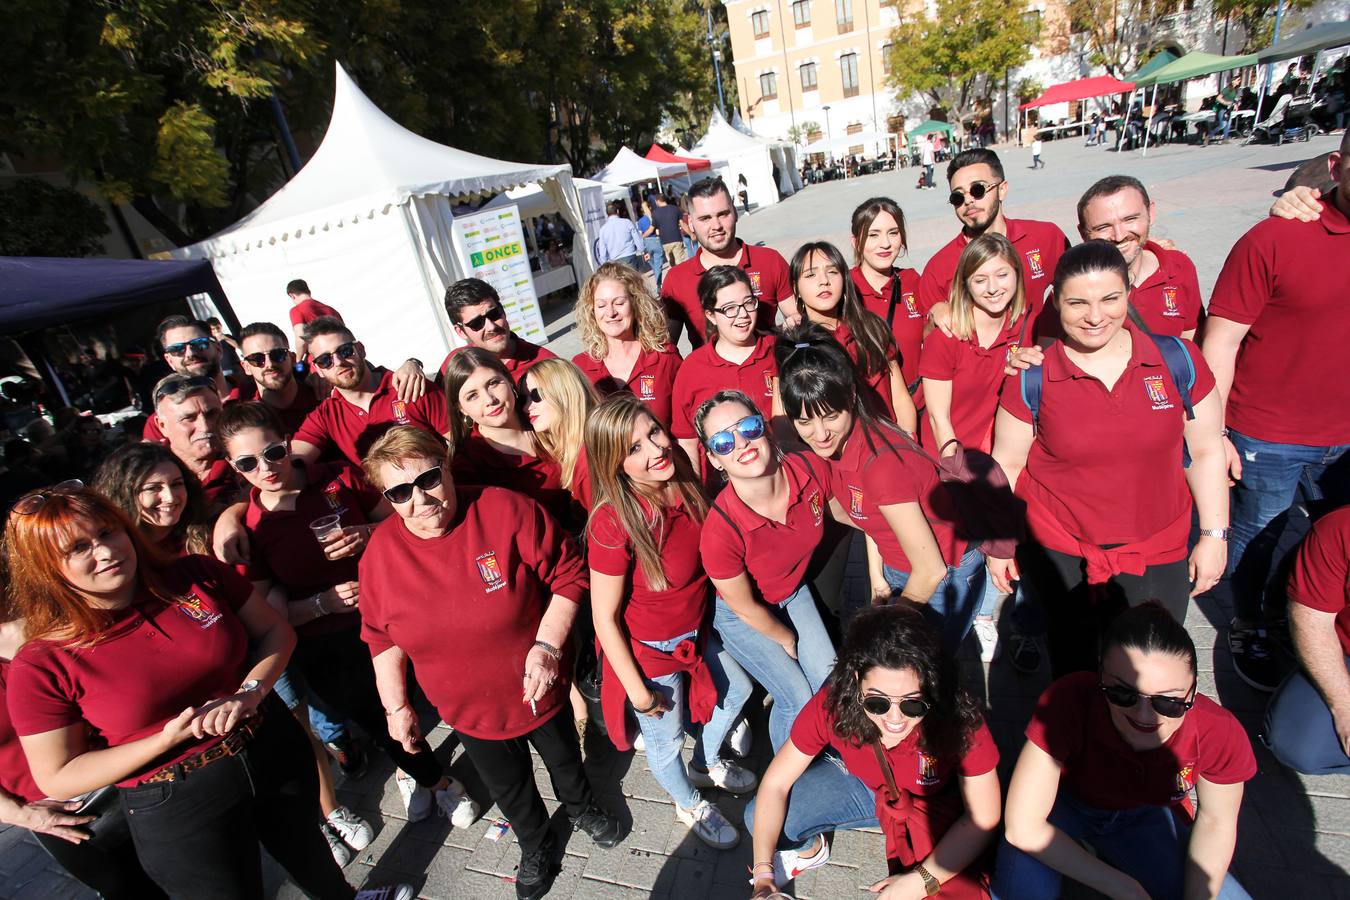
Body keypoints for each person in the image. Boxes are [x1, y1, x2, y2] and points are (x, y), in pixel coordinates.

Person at [4, 485, 411, 900]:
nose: (106, 551)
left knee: (310, 854)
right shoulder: (43, 661)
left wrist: (251, 691)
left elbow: (276, 631)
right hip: (174, 796)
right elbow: (59, 775)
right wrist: (164, 740)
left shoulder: (194, 574)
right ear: (46, 568)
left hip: (268, 744)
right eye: (78, 548)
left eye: (107, 532)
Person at [358, 426, 620, 900]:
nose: (420, 499)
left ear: (446, 466)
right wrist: (397, 708)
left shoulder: (503, 509)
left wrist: (548, 646)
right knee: (510, 788)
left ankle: (582, 808)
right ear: (386, 498)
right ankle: (536, 844)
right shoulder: (380, 555)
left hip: (538, 686)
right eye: (400, 492)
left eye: (429, 479)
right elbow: (380, 637)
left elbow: (569, 574)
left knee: (564, 760)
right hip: (467, 710)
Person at [218, 402, 475, 855]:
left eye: (273, 452)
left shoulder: (338, 477)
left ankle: (434, 768)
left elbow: (403, 516)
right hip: (327, 644)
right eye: (247, 463)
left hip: (394, 612)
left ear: (287, 442)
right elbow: (267, 610)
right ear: (232, 466)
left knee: (434, 695)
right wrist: (322, 603)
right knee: (380, 722)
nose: (266, 468)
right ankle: (436, 782)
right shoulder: (253, 525)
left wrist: (368, 534)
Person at [991, 241, 1229, 677]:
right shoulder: (1033, 375)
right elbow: (1007, 463)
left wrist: (1214, 535)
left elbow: (1207, 449)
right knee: (1075, 669)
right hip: (1062, 550)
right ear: (1056, 303)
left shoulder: (1176, 360)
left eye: (1110, 298)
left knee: (1154, 671)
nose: (1095, 316)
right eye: (1077, 303)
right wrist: (1000, 544)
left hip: (1158, 547)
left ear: (1128, 293)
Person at [1201, 131, 1350, 692]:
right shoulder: (1274, 238)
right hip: (1269, 434)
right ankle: (1251, 623)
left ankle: (1323, 626)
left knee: (1337, 547)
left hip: (1347, 440)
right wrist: (1214, 435)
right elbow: (1221, 342)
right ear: (1335, 165)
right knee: (1258, 538)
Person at [993, 603, 1254, 900]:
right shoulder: (1069, 700)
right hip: (1061, 803)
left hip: (1143, 815)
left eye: (1168, 702)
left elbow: (1215, 822)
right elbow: (1023, 827)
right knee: (1025, 893)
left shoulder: (1217, 731)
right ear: (1101, 677)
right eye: (1122, 693)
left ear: (1193, 690)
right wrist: (1123, 887)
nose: (1144, 715)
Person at [585, 393, 755, 849]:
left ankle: (704, 763)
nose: (656, 449)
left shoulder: (682, 478)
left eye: (654, 432)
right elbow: (603, 617)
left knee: (737, 691)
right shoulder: (612, 522)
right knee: (666, 741)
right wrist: (639, 694)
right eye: (634, 448)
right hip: (653, 652)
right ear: (614, 464)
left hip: (698, 631)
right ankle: (688, 803)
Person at [746, 604, 1000, 899]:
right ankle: (810, 851)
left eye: (912, 704)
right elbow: (776, 783)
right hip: (868, 788)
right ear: (856, 681)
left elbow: (983, 818)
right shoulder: (834, 704)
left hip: (932, 803)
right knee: (758, 819)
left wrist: (920, 881)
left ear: (930, 685)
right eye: (877, 703)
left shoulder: (958, 718)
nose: (894, 719)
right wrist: (763, 876)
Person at [776, 324, 993, 648]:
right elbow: (871, 520)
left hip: (943, 577)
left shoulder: (882, 466)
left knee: (919, 666)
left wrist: (885, 628)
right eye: (805, 421)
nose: (820, 434)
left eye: (831, 416)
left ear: (851, 396)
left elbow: (930, 570)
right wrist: (878, 579)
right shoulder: (835, 448)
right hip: (901, 565)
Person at [694, 390, 836, 752]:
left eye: (748, 427)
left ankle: (824, 752)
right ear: (714, 459)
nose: (741, 443)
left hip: (791, 589)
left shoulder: (807, 469)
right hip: (743, 614)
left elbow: (853, 510)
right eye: (723, 442)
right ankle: (787, 771)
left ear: (766, 428)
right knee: (796, 696)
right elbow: (744, 608)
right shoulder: (720, 531)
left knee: (828, 681)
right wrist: (786, 638)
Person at [920, 233, 1033, 668]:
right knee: (968, 552)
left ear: (1017, 276)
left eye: (1002, 275)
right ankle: (949, 635)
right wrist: (962, 478)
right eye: (980, 278)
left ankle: (983, 614)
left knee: (1000, 546)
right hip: (952, 462)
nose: (992, 287)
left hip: (998, 453)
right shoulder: (947, 335)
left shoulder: (1019, 328)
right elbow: (939, 420)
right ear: (964, 284)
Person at [0, 614, 164, 899]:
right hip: (68, 811)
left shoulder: (54, 614)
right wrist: (20, 814)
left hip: (146, 767)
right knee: (130, 889)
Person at [918, 149, 1072, 338]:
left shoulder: (1045, 236)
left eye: (978, 190)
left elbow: (1079, 290)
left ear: (1002, 189)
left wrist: (1049, 336)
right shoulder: (938, 268)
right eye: (958, 197)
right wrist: (934, 319)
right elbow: (926, 339)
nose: (968, 201)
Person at [443, 349, 575, 529]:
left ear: (508, 379)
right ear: (461, 409)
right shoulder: (467, 465)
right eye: (472, 396)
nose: (489, 400)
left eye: (493, 383)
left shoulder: (543, 412)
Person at [660, 177, 798, 349]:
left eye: (723, 214)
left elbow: (795, 317)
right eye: (705, 218)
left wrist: (785, 336)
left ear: (735, 213)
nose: (716, 225)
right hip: (707, 367)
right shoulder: (676, 279)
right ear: (691, 224)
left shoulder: (770, 260)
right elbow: (666, 346)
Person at [291, 317, 448, 468]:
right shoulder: (326, 415)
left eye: (345, 351)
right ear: (318, 369)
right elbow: (290, 463)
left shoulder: (410, 385)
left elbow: (459, 442)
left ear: (361, 349)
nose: (338, 362)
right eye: (325, 360)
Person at [793, 241, 916, 431]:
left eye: (832, 272)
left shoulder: (871, 328)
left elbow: (900, 398)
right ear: (796, 289)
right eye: (810, 275)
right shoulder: (792, 346)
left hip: (892, 440)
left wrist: (909, 439)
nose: (824, 281)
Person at [1265, 504, 1350, 774]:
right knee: (1298, 745)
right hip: (1346, 652)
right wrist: (1345, 710)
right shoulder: (1339, 528)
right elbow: (1313, 622)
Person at [671, 266, 781, 468]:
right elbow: (687, 442)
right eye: (729, 308)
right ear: (711, 315)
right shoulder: (691, 370)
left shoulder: (779, 351)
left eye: (748, 303)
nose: (743, 314)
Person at [1076, 176, 1203, 339]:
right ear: (1083, 233)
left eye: (1130, 219)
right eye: (1103, 227)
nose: (1119, 236)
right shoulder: (1073, 283)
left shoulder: (1179, 266)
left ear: (1151, 213)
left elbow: (1189, 339)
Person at [571, 262, 683, 429]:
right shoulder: (581, 367)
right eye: (601, 305)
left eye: (619, 303)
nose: (611, 313)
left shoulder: (665, 357)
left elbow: (686, 428)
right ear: (592, 311)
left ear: (636, 303)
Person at [849, 197, 925, 406]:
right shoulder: (844, 289)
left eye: (893, 233)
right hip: (871, 411)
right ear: (855, 241)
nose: (885, 243)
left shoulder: (912, 281)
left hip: (919, 403)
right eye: (873, 235)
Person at [142, 315, 253, 444]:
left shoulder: (255, 394)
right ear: (169, 360)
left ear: (218, 348)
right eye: (177, 349)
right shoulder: (162, 422)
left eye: (200, 344)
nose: (190, 354)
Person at [93, 442, 211, 556]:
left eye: (176, 484)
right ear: (124, 494)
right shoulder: (111, 550)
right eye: (153, 488)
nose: (170, 498)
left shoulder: (209, 534)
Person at [437, 278, 556, 385]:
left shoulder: (547, 366)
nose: (491, 327)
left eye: (494, 314)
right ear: (460, 332)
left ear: (503, 311)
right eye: (476, 323)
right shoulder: (453, 364)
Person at [519, 358, 601, 512]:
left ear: (565, 393)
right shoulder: (571, 451)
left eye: (536, 395)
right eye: (523, 399)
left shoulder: (592, 456)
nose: (526, 407)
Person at [149, 374, 240, 508]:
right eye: (189, 418)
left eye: (212, 414)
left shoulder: (249, 464)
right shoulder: (146, 474)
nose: (205, 426)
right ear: (162, 426)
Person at [237, 321, 323, 435]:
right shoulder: (246, 422)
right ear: (246, 367)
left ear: (292, 358)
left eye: (278, 354)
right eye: (257, 358)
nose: (269, 364)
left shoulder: (322, 397)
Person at [286, 278, 343, 364]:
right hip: (341, 358)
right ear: (308, 291)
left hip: (320, 361)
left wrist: (298, 360)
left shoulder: (297, 310)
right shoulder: (332, 310)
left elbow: (301, 339)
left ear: (292, 295)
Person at [594, 200, 646, 269]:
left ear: (607, 214)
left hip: (615, 261)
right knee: (633, 276)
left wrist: (604, 263)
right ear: (617, 211)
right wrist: (642, 250)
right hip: (629, 257)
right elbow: (637, 239)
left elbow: (602, 250)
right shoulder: (627, 222)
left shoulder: (603, 230)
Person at [652, 192, 688, 266]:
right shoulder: (675, 209)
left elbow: (653, 228)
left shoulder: (655, 213)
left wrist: (643, 235)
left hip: (665, 241)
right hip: (676, 239)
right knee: (680, 263)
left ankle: (675, 272)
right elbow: (682, 224)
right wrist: (691, 234)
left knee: (672, 264)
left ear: (657, 201)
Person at [637, 198, 666, 288]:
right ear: (650, 207)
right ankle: (658, 284)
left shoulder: (640, 221)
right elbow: (658, 231)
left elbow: (640, 234)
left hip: (646, 243)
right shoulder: (654, 217)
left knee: (653, 264)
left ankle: (658, 283)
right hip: (656, 241)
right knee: (658, 265)